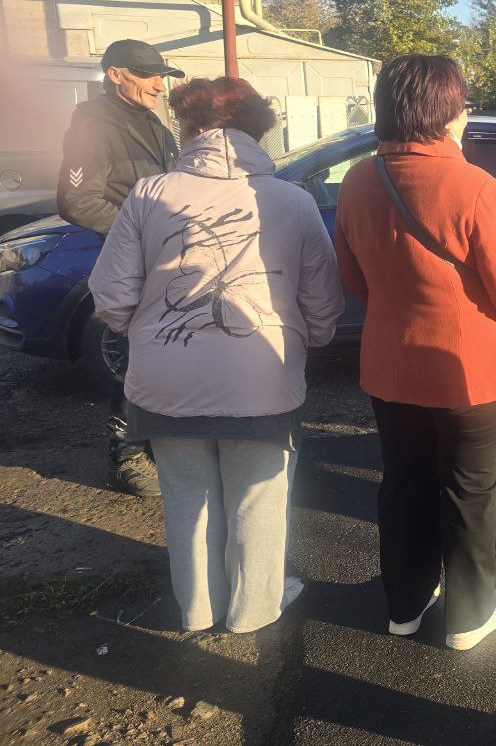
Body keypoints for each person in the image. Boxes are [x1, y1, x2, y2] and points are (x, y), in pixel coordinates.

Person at [87, 77, 344, 632]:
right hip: (263, 377)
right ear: (256, 130)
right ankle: (252, 613)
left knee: (185, 497)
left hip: (165, 381)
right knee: (260, 500)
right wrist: (308, 339)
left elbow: (110, 294)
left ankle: (197, 609)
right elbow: (324, 302)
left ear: (192, 127)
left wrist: (149, 333)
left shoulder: (151, 194)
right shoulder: (293, 201)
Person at [335, 54, 496, 649]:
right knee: (469, 492)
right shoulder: (473, 185)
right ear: (449, 112)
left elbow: (353, 278)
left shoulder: (355, 180)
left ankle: (404, 603)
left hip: (390, 363)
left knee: (402, 484)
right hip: (470, 372)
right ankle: (470, 616)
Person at [57, 39, 183, 498]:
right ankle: (127, 453)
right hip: (132, 261)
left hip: (167, 260)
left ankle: (161, 444)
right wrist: (140, 234)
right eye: (147, 74)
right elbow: (78, 201)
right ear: (115, 74)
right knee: (138, 357)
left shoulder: (153, 122)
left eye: (161, 74)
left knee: (169, 352)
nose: (158, 83)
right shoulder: (92, 124)